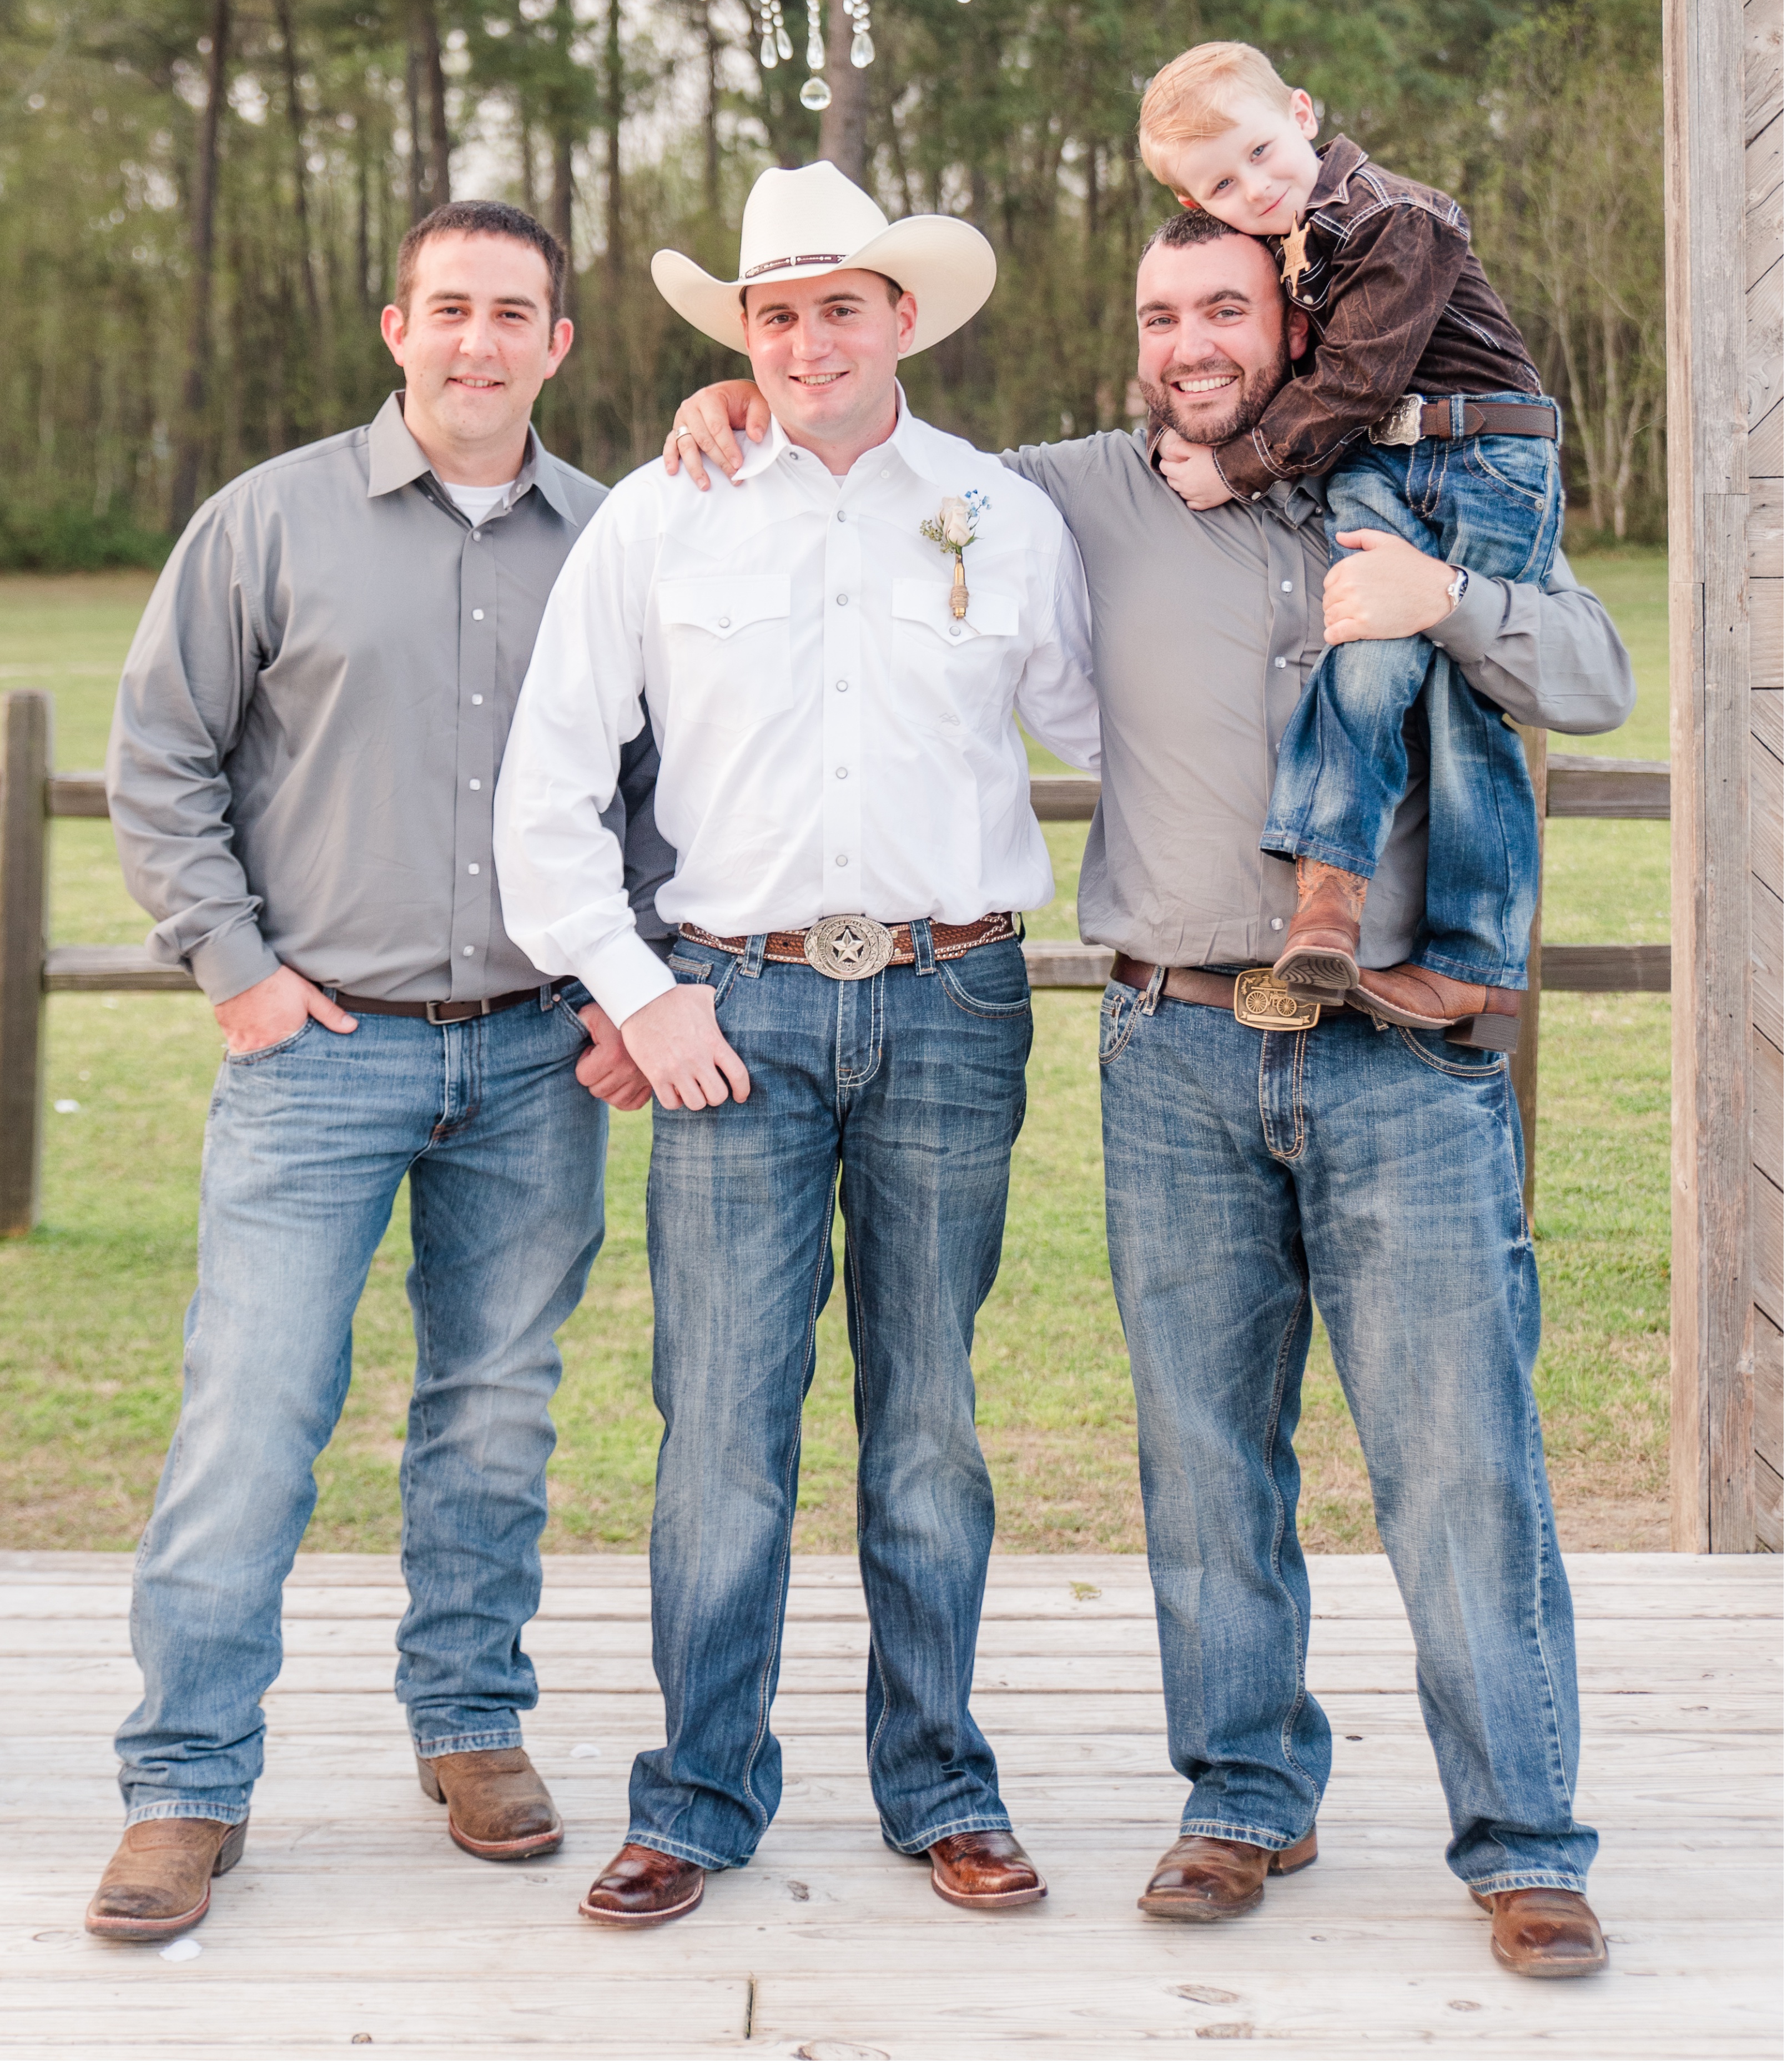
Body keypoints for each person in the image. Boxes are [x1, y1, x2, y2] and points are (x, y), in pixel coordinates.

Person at [664, 205, 1634, 1983]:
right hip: (1173, 1041)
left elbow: (1589, 675)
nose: (1187, 340)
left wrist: (1452, 604)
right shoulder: (1069, 496)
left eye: (1223, 308)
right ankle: (1243, 1796)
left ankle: (1522, 1838)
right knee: (1202, 1461)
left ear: (1300, 325)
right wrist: (737, 411)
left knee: (1456, 1464)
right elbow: (873, 449)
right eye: (1158, 311)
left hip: (1401, 1057)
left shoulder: (1424, 483)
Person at [492, 161, 1101, 1931]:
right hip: (731, 1012)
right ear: (739, 336)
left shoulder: (998, 510)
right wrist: (633, 983)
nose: (810, 338)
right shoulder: (660, 516)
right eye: (776, 313)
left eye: (842, 305)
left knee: (927, 1423)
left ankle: (940, 1787)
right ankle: (695, 1796)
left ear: (903, 318)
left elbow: (1102, 731)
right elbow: (545, 783)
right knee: (721, 1433)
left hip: (954, 995)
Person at [87, 200, 667, 1945]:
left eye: (514, 314)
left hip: (532, 1058)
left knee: (494, 1411)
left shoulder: (619, 541)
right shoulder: (267, 521)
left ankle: (471, 1725)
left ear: (559, 346)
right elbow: (160, 755)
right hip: (317, 1052)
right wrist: (241, 975)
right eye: (449, 310)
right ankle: (185, 1783)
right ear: (394, 328)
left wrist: (617, 985)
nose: (478, 341)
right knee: (252, 1415)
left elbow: (668, 783)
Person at [1139, 38, 1563, 1045]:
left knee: (1469, 702)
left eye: (1257, 152)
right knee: (1361, 649)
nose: (1254, 187)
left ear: (1301, 110)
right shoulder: (1287, 252)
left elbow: (1360, 383)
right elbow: (1264, 373)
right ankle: (1328, 898)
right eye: (1221, 186)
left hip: (1485, 458)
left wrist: (1236, 465)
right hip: (1378, 461)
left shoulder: (1396, 217)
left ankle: (1472, 962)